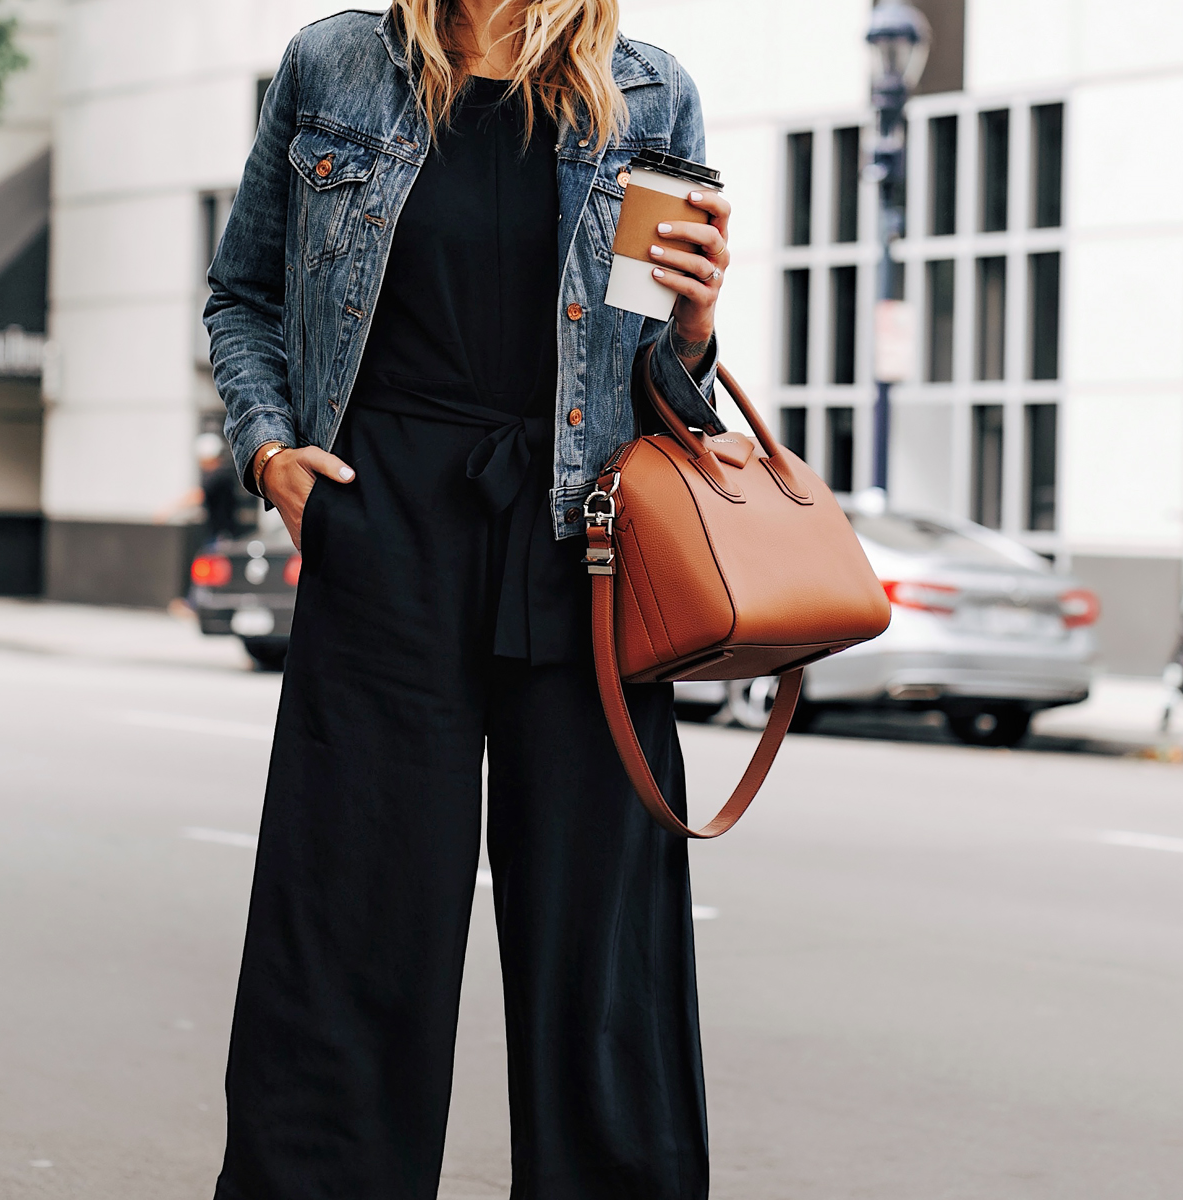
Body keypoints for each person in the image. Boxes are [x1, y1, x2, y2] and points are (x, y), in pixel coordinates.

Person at [203, 1, 732, 1195]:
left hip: (584, 553)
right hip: (384, 540)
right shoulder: (334, 66)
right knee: (344, 939)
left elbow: (656, 382)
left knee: (602, 963)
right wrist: (269, 450)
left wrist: (695, 331)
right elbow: (243, 292)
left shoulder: (648, 93)